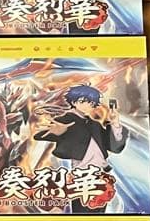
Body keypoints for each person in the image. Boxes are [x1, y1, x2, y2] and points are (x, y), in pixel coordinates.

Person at [33, 85, 125, 213]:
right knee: (82, 211)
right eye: (85, 101)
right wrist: (59, 133)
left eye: (92, 102)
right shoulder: (66, 120)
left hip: (101, 175)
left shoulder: (94, 124)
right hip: (81, 174)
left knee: (99, 212)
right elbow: (40, 134)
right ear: (75, 102)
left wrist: (115, 123)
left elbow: (114, 147)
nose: (90, 105)